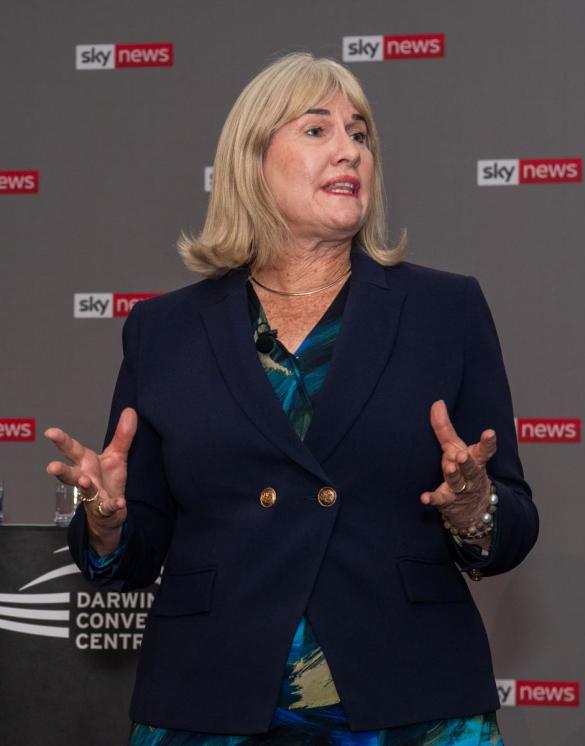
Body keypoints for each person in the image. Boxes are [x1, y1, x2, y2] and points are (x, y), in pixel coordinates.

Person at [42, 52, 537, 743]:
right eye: (317, 130)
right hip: (209, 700)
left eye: (359, 134)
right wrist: (105, 522)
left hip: (410, 699)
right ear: (251, 161)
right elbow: (131, 554)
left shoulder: (445, 310)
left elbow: (512, 522)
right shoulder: (164, 331)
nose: (349, 151)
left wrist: (474, 506)